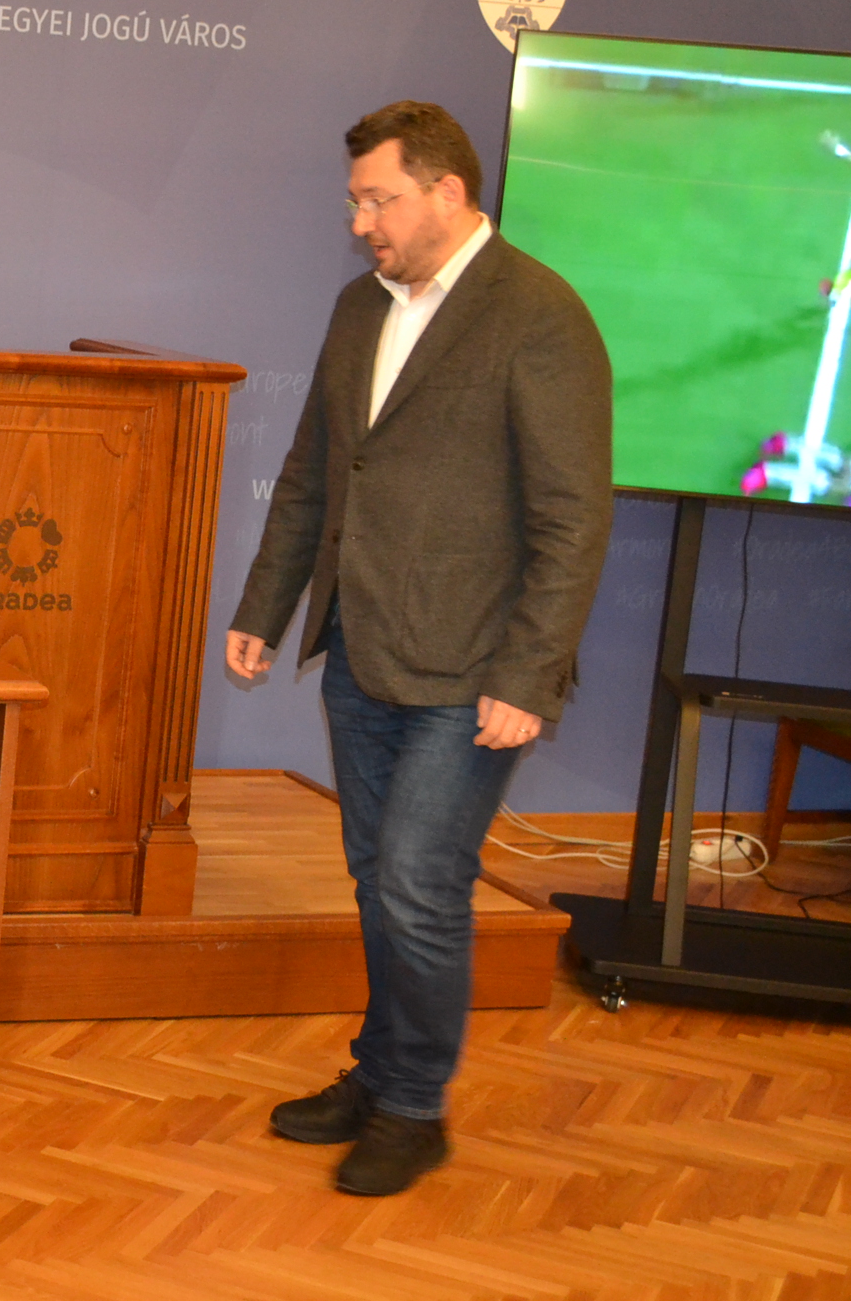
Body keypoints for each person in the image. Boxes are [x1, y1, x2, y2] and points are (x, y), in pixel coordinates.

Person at [226, 100, 612, 1196]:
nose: (361, 224)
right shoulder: (361, 307)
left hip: (476, 669)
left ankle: (413, 1109)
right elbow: (315, 471)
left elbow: (573, 517)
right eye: (355, 202)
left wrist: (528, 677)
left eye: (378, 200)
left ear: (447, 191)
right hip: (361, 647)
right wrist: (265, 606)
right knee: (376, 877)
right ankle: (381, 1070)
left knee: (418, 882)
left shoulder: (539, 314)